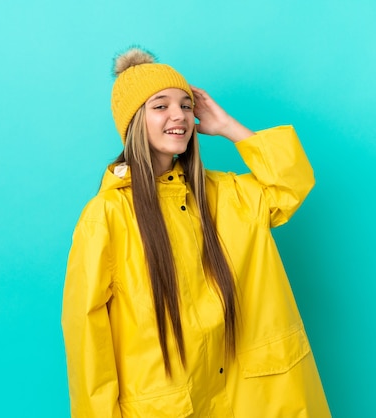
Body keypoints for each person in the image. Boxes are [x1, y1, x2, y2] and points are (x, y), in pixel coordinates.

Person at [61, 47, 330, 417]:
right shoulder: (107, 216)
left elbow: (291, 185)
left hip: (251, 401)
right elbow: (86, 337)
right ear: (134, 121)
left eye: (186, 106)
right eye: (160, 106)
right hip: (167, 405)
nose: (179, 116)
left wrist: (227, 127)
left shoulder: (227, 195)